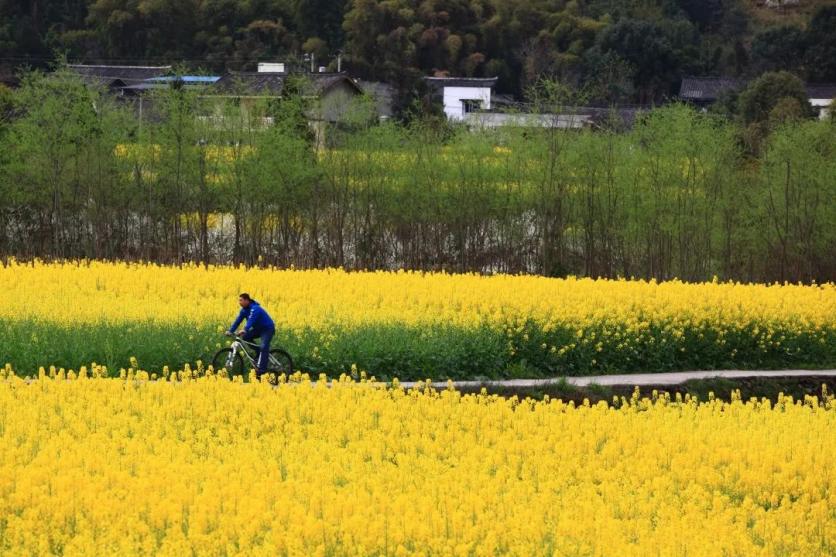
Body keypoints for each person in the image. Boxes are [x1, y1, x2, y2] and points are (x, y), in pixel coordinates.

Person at [226, 293, 275, 376]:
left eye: (241, 300)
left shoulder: (255, 309)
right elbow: (238, 321)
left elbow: (251, 320)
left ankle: (261, 371)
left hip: (267, 329)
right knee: (245, 337)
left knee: (264, 347)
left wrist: (245, 329)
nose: (239, 302)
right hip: (258, 329)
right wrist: (230, 331)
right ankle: (259, 353)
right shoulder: (244, 310)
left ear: (247, 300)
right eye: (239, 300)